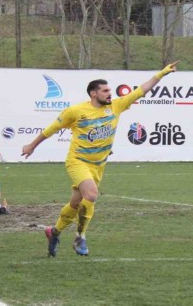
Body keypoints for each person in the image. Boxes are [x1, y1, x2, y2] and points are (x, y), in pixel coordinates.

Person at [21, 62, 180, 257]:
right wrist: (32, 145)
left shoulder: (116, 106)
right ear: (93, 93)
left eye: (109, 91)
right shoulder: (76, 111)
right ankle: (80, 236)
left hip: (98, 165)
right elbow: (51, 129)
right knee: (91, 195)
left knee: (75, 204)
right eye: (105, 91)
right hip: (78, 161)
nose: (109, 94)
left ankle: (54, 232)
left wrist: (162, 74)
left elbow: (141, 90)